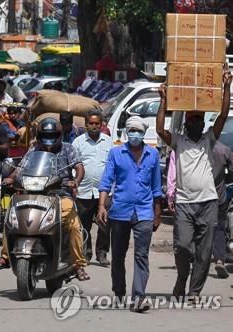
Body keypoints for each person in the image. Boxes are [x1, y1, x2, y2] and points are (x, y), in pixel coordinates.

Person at [156, 72, 232, 301]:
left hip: (208, 202)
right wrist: (163, 99)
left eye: (199, 119)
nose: (196, 123)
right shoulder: (178, 141)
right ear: (186, 122)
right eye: (192, 120)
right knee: (183, 247)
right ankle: (182, 278)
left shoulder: (209, 139)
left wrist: (226, 86)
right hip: (185, 203)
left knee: (204, 251)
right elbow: (160, 130)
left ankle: (194, 291)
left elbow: (223, 115)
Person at [0, 117, 90, 281]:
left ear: (59, 135)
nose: (48, 139)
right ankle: (5, 256)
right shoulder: (34, 149)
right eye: (44, 135)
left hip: (60, 193)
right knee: (12, 219)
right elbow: (21, 168)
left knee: (73, 224)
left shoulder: (68, 149)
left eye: (52, 135)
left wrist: (76, 181)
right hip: (34, 193)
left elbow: (79, 167)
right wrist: (10, 177)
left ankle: (79, 264)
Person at [98, 115, 162, 312]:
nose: (135, 134)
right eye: (131, 131)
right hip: (119, 212)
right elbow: (106, 181)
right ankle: (119, 291)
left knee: (141, 255)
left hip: (144, 211)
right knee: (118, 255)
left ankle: (138, 297)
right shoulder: (116, 153)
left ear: (143, 133)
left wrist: (157, 213)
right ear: (127, 132)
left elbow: (156, 187)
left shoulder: (153, 155)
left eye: (138, 131)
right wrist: (101, 205)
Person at [167, 142, 233, 279]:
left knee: (195, 230)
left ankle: (193, 258)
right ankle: (219, 258)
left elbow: (174, 175)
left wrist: (171, 195)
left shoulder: (190, 150)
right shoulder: (224, 150)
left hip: (195, 198)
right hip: (218, 197)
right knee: (218, 229)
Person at [72, 109, 113, 266]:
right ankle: (86, 253)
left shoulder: (108, 141)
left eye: (97, 124)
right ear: (86, 124)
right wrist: (74, 183)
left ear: (101, 124)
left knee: (105, 224)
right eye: (91, 123)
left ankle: (102, 254)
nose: (94, 126)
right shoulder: (78, 142)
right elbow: (73, 166)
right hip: (84, 191)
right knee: (84, 225)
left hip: (104, 191)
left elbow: (113, 165)